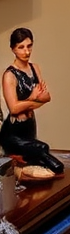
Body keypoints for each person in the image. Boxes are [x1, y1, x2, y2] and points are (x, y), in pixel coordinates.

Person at [0, 27, 62, 179]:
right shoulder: (9, 75)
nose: (26, 52)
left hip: (29, 127)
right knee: (43, 149)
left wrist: (29, 101)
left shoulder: (34, 68)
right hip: (13, 133)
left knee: (37, 156)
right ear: (13, 49)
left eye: (29, 46)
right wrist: (34, 98)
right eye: (21, 47)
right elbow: (14, 108)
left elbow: (46, 97)